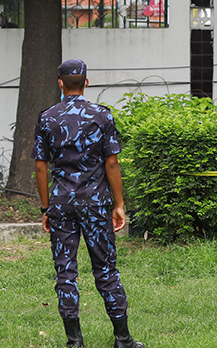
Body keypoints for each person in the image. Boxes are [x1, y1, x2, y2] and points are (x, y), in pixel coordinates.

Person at [34, 59, 144, 348]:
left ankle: (74, 341)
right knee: (106, 270)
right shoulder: (102, 116)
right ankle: (123, 338)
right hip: (95, 204)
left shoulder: (47, 118)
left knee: (66, 271)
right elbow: (112, 163)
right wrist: (118, 204)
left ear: (60, 83)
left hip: (61, 204)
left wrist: (46, 208)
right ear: (86, 82)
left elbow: (41, 167)